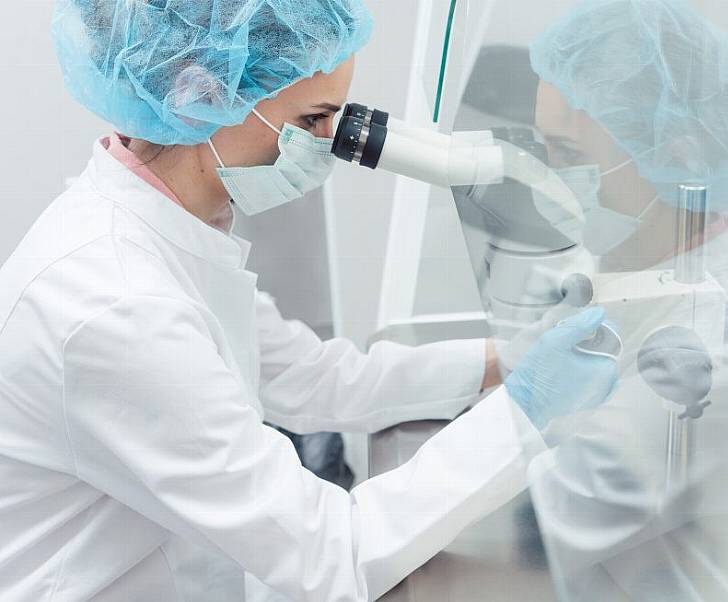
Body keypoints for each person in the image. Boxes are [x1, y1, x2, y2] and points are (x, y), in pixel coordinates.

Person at [0, 2, 618, 601]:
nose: (330, 143)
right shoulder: (115, 303)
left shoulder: (171, 233)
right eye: (313, 120)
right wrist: (525, 411)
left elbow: (312, 377)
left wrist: (507, 359)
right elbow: (333, 556)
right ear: (198, 97)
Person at [522, 1, 728, 600]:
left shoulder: (705, 351)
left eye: (568, 155)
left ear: (675, 155)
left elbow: (544, 523)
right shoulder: (629, 261)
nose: (548, 179)